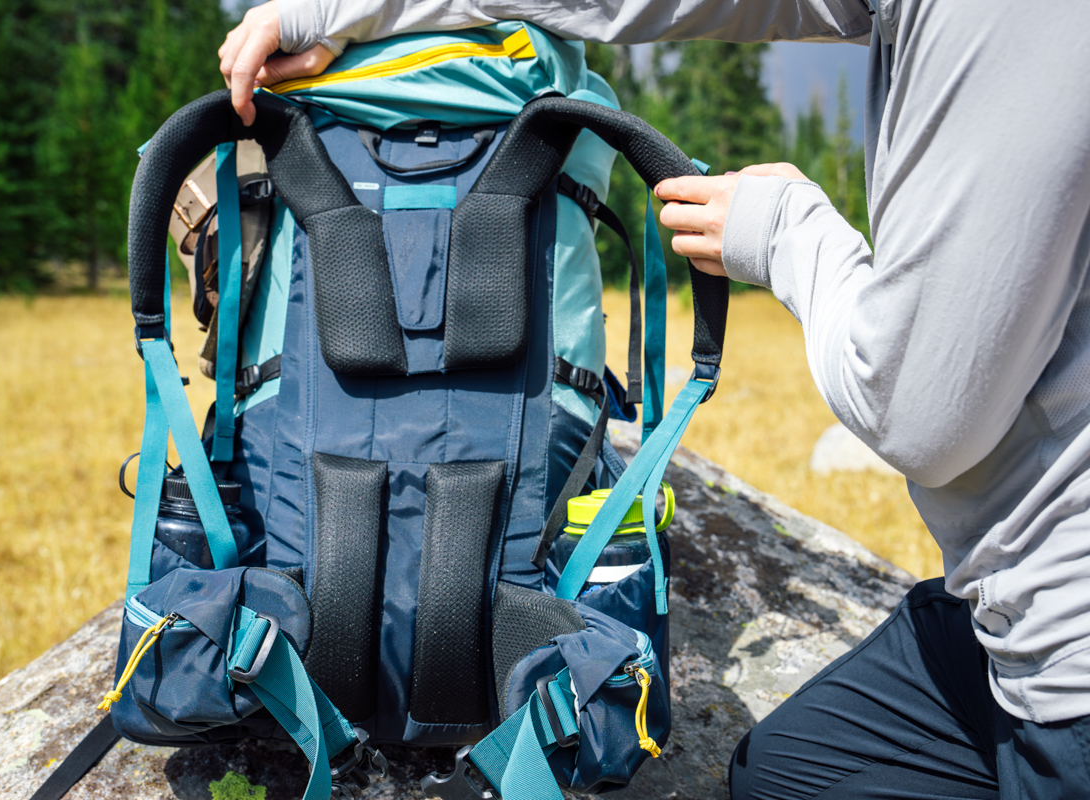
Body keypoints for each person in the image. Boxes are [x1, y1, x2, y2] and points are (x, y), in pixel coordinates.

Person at [219, 1, 1090, 796]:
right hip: (1009, 626)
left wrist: (789, 230)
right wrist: (349, 9)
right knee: (779, 774)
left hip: (1070, 664)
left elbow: (920, 413)